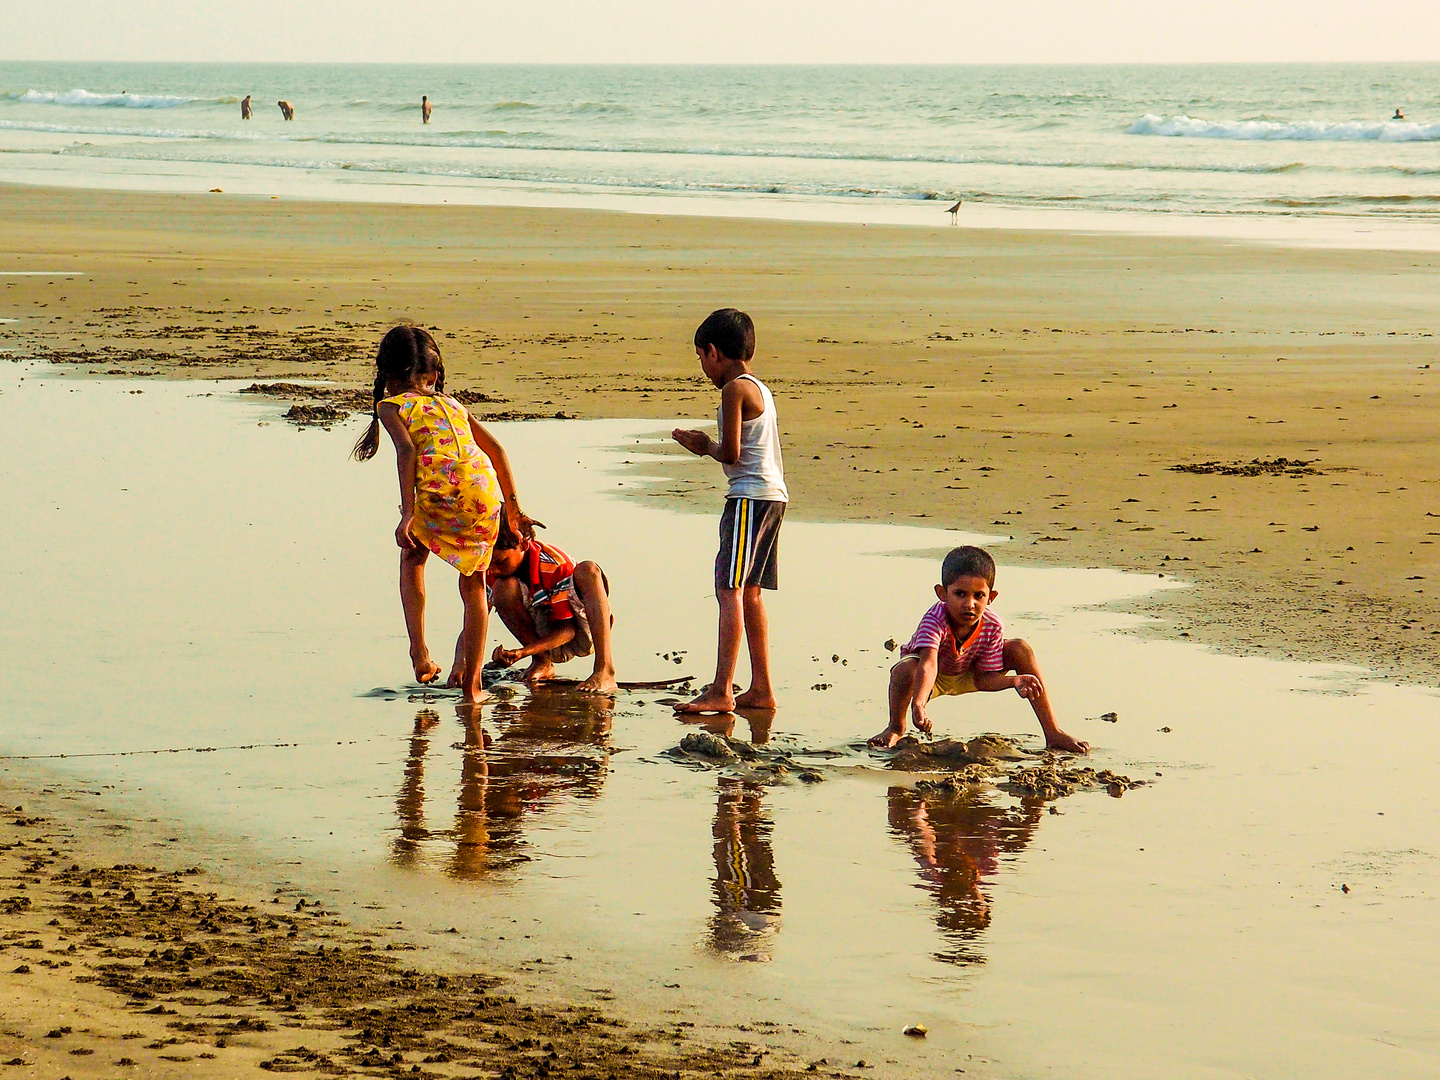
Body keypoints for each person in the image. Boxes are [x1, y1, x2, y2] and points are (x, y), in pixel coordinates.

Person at [351, 325, 531, 703]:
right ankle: (473, 689)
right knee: (474, 587)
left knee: (413, 558)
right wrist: (513, 509)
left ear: (386, 375)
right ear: (432, 377)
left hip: (441, 495)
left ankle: (419, 652)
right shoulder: (454, 405)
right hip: (483, 496)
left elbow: (406, 453)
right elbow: (496, 450)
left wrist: (408, 514)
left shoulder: (391, 406)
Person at [672, 308, 787, 714]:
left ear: (714, 352)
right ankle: (761, 689)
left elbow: (733, 454)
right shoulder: (760, 387)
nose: (703, 367)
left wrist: (704, 447)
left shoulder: (734, 389)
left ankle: (722, 689)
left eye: (701, 358)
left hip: (749, 497)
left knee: (729, 590)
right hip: (772, 495)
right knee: (751, 593)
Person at [868, 546, 1089, 753]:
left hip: (971, 673)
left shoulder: (992, 625)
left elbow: (984, 679)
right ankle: (895, 727)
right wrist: (918, 703)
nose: (969, 604)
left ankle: (1053, 732)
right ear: (942, 594)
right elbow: (928, 664)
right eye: (960, 594)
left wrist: (1015, 681)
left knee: (1020, 648)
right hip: (930, 678)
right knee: (904, 670)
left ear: (991, 597)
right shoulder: (935, 619)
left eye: (979, 596)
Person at [481, 513, 618, 694]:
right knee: (503, 588)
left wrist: (524, 652)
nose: (494, 569)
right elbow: (474, 620)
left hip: (579, 632)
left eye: (500, 562)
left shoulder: (554, 564)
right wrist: (461, 665)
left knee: (588, 570)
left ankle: (604, 670)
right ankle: (542, 662)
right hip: (543, 636)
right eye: (489, 563)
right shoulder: (491, 570)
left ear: (523, 544)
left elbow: (568, 630)